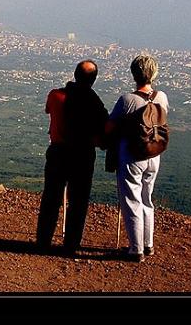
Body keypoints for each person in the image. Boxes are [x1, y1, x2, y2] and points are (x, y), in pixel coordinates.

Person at [36, 60, 108, 256]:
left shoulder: (55, 95)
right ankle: (71, 245)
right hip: (83, 155)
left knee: (51, 198)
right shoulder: (94, 102)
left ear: (75, 75)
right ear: (93, 80)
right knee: (78, 201)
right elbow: (103, 131)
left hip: (58, 152)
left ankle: (43, 242)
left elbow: (48, 110)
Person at [104, 54, 169, 263]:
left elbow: (109, 127)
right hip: (154, 153)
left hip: (131, 154)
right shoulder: (162, 97)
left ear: (134, 74)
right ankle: (148, 244)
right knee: (147, 198)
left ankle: (136, 249)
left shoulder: (127, 100)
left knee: (132, 200)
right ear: (154, 73)